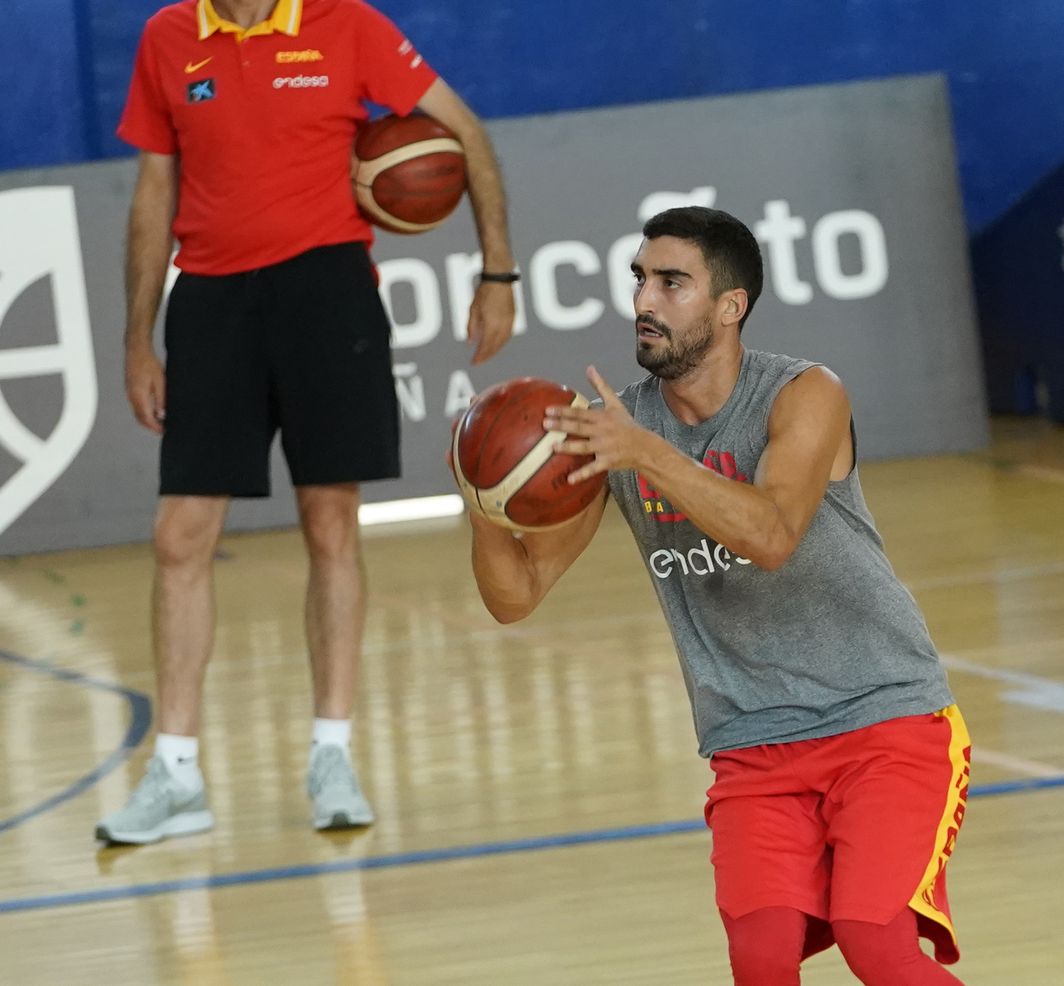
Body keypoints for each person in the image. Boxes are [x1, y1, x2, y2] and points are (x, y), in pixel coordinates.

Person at [466, 206, 970, 985]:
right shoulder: (621, 429)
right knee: (761, 961)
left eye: (672, 283)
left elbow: (770, 535)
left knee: (874, 936)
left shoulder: (804, 393)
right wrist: (487, 498)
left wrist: (649, 454)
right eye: (639, 279)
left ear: (730, 306)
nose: (643, 301)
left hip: (884, 723)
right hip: (752, 745)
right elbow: (516, 596)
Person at [97, 0, 520, 844]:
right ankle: (175, 770)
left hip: (328, 295)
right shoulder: (169, 37)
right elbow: (154, 189)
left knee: (331, 525)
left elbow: (465, 131)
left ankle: (334, 752)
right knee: (180, 535)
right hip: (211, 304)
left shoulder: (348, 25)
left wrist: (497, 273)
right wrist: (138, 338)